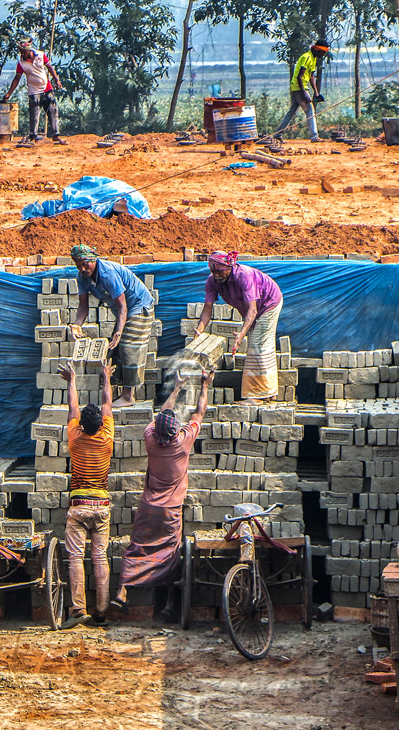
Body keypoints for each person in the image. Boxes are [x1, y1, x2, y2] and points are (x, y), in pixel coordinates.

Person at [112, 368, 213, 621]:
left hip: (147, 507)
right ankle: (168, 603)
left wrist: (177, 388)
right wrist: (205, 385)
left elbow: (161, 414)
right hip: (170, 510)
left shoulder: (150, 438)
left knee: (136, 548)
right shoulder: (182, 441)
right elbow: (200, 412)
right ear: (175, 431)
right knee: (170, 555)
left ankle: (122, 593)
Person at [58, 358, 114, 628]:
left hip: (78, 505)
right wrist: (107, 378)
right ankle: (101, 611)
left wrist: (72, 381)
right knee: (100, 558)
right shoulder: (107, 438)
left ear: (82, 423)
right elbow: (108, 405)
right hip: (102, 506)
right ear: (100, 424)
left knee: (75, 558)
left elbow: (71, 407)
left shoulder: (74, 437)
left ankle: (78, 610)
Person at [192, 251, 283, 402]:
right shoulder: (212, 281)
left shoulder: (243, 276)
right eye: (212, 271)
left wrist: (241, 334)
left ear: (229, 267)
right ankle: (269, 392)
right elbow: (207, 308)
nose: (216, 275)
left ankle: (257, 395)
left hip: (269, 303)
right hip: (253, 310)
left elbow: (252, 310)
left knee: (258, 344)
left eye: (219, 271)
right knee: (261, 345)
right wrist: (199, 330)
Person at [70, 243, 154, 407]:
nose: (82, 269)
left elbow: (123, 306)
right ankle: (112, 392)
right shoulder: (82, 277)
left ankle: (128, 396)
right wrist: (77, 324)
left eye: (85, 264)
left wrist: (119, 331)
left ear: (93, 260)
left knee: (128, 346)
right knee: (112, 349)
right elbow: (83, 306)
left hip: (138, 305)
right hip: (122, 310)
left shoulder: (107, 273)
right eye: (78, 266)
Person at [2, 37, 66, 145]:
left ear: (29, 51)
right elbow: (16, 79)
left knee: (53, 112)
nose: (21, 54)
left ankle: (55, 135)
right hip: (33, 91)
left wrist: (57, 80)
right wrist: (9, 93)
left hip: (47, 88)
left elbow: (49, 67)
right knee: (34, 115)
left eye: (23, 52)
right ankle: (33, 136)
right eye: (20, 52)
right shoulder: (21, 64)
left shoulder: (41, 55)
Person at [272, 40, 330, 143]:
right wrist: (304, 93)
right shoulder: (306, 57)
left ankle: (277, 134)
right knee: (310, 110)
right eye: (323, 52)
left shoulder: (313, 59)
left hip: (298, 87)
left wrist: (316, 92)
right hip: (299, 87)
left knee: (291, 111)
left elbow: (311, 76)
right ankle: (314, 137)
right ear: (317, 50)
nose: (324, 55)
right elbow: (299, 76)